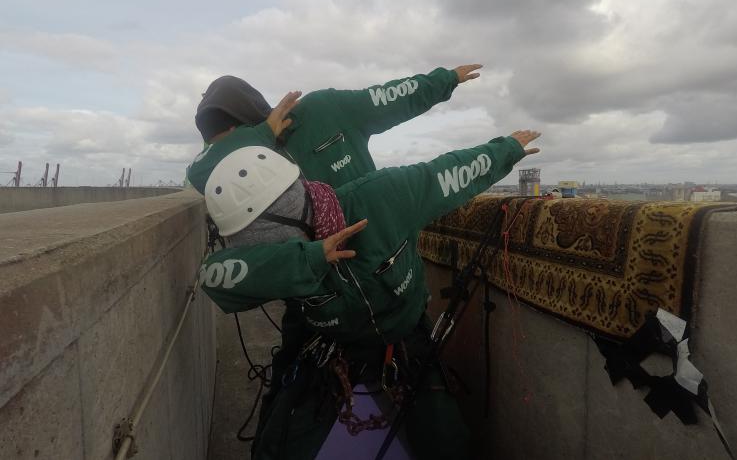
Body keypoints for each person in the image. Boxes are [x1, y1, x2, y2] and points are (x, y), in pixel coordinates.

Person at [199, 129, 542, 460]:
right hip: (330, 350)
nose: (267, 254)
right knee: (278, 444)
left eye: (274, 245)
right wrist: (307, 259)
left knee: (446, 441)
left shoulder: (382, 197)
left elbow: (447, 173)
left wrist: (507, 149)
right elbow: (214, 277)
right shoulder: (290, 256)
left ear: (291, 217)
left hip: (406, 343)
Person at [187, 64, 483, 193]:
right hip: (315, 293)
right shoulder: (252, 157)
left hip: (378, 258)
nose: (232, 157)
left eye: (233, 141)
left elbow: (387, 98)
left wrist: (445, 80)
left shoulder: (322, 109)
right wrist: (262, 136)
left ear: (241, 120)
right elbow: (199, 174)